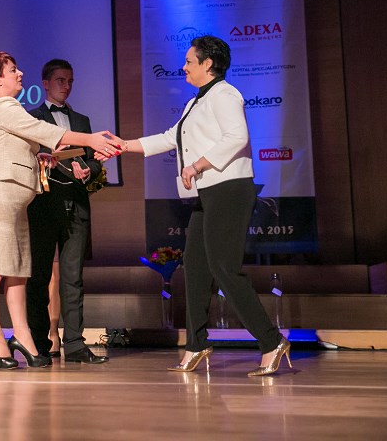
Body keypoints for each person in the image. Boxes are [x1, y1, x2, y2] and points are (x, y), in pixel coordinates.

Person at [115, 36, 290, 376]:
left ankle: (271, 341)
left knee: (224, 268)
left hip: (229, 189)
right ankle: (196, 344)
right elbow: (170, 137)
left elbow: (237, 137)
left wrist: (196, 166)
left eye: (189, 62)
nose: (184, 67)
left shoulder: (225, 94)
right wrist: (124, 145)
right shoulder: (197, 102)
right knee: (195, 267)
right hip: (207, 193)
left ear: (208, 64)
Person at [0, 51, 123, 369]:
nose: (20, 74)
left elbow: (25, 149)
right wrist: (92, 140)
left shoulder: (6, 109)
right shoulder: (3, 106)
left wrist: (43, 157)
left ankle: (23, 336)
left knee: (17, 273)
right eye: (13, 70)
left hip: (16, 201)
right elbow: (49, 133)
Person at [26, 59, 108, 364]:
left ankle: (75, 344)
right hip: (43, 206)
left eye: (70, 81)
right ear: (46, 83)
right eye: (60, 80)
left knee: (73, 278)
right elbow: (26, 157)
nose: (66, 86)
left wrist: (88, 170)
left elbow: (94, 160)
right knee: (39, 277)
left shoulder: (82, 120)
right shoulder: (31, 118)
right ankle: (38, 344)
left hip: (76, 205)